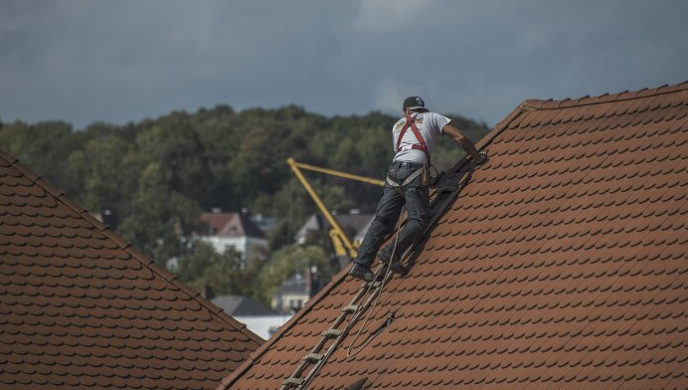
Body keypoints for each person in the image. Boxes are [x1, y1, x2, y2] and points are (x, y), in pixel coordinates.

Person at [348, 96, 486, 282]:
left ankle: (361, 264)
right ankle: (392, 252)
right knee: (419, 219)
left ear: (406, 112)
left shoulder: (397, 126)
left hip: (394, 174)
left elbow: (406, 151)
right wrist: (478, 158)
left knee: (382, 221)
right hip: (414, 171)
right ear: (423, 110)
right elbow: (460, 138)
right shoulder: (434, 117)